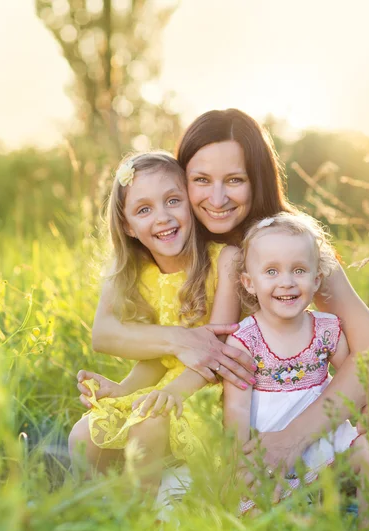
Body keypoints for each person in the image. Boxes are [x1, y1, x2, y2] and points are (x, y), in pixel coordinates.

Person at [79, 108, 369, 482]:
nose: (217, 198)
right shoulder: (174, 243)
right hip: (214, 407)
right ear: (183, 181)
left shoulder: (292, 248)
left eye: (234, 180)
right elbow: (112, 333)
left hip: (280, 409)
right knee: (93, 438)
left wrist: (290, 439)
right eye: (200, 180)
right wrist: (179, 343)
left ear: (257, 180)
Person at [69, 151, 241, 489]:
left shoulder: (224, 261)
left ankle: (142, 517)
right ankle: (98, 504)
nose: (162, 217)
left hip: (209, 386)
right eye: (144, 209)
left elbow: (216, 351)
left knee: (148, 426)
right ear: (128, 226)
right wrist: (123, 390)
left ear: (191, 204)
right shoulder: (140, 276)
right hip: (166, 388)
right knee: (82, 433)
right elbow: (161, 358)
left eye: (173, 200)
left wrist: (172, 393)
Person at [223, 212, 369, 516]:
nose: (286, 282)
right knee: (258, 507)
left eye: (298, 270)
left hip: (327, 437)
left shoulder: (327, 329)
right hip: (271, 442)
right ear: (249, 282)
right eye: (271, 271)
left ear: (316, 279)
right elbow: (236, 409)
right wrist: (238, 460)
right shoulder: (245, 340)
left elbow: (362, 375)